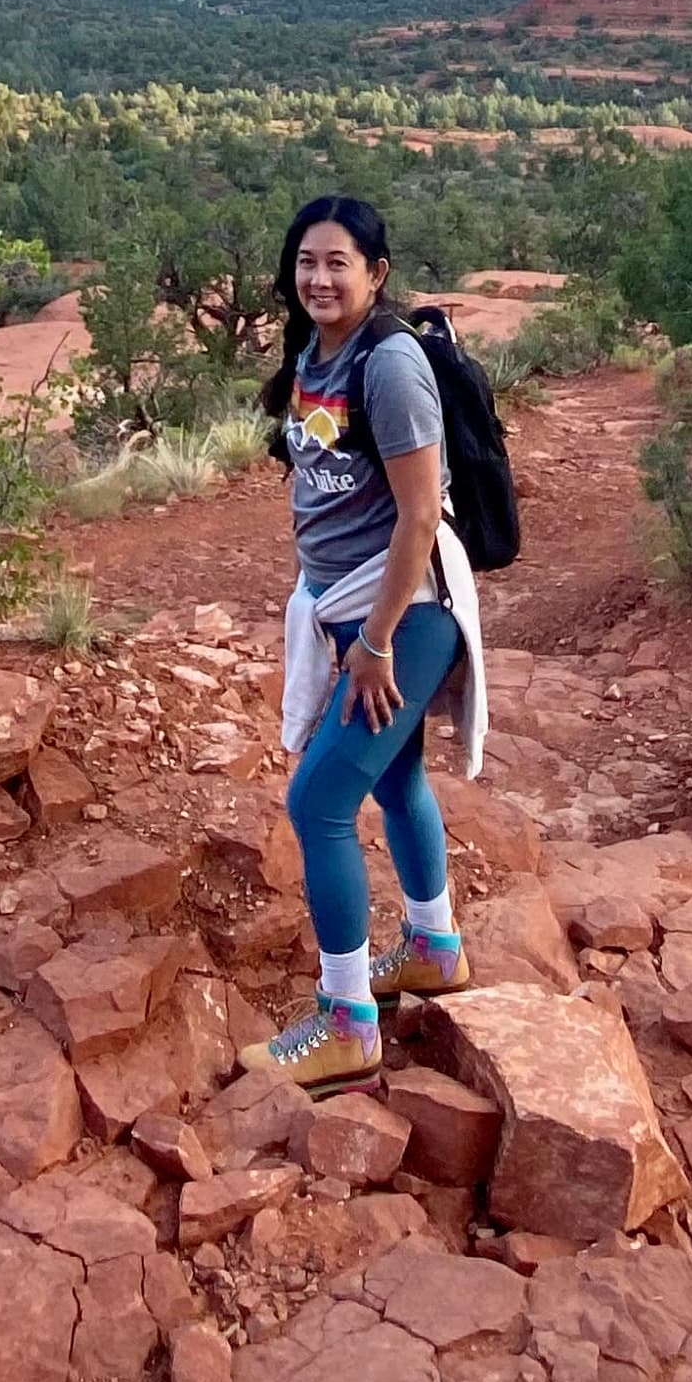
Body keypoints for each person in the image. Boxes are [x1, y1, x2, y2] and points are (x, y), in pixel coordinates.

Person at [240, 193, 489, 1093]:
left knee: (317, 805)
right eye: (307, 261)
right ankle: (434, 947)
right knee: (395, 777)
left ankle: (347, 1021)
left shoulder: (389, 366)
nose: (319, 277)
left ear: (376, 273)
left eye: (338, 262)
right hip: (346, 605)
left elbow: (421, 512)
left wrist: (376, 641)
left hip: (403, 612)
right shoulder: (315, 354)